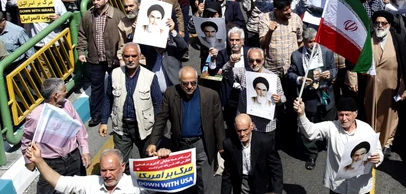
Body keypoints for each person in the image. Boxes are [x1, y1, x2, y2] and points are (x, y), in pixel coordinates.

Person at [146, 66, 225, 194]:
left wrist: (221, 147)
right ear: (179, 82)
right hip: (180, 145)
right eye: (185, 83)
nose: (189, 86)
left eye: (193, 83)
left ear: (197, 80)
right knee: (182, 184)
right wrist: (153, 142)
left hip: (202, 145)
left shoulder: (211, 96)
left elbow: (218, 123)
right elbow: (161, 119)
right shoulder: (170, 93)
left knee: (204, 185)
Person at [348, 10, 406, 154]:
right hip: (371, 87)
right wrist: (353, 80)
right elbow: (354, 63)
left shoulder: (398, 40)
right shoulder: (368, 40)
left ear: (389, 24)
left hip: (392, 86)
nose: (380, 26)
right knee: (371, 113)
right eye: (377, 23)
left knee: (391, 115)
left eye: (383, 23)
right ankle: (373, 140)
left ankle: (388, 142)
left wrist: (404, 87)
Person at [294, 96, 383, 194]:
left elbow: (378, 150)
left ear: (355, 114)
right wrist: (301, 114)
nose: (344, 119)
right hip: (338, 187)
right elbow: (310, 132)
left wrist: (378, 157)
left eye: (347, 115)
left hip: (360, 187)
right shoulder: (331, 127)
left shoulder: (366, 130)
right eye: (341, 115)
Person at [99, 43, 163, 171]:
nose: (130, 59)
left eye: (133, 56)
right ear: (122, 57)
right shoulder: (114, 74)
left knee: (148, 163)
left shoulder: (150, 77)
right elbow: (107, 98)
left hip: (145, 129)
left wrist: (156, 129)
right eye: (127, 56)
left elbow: (158, 104)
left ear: (140, 56)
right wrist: (104, 121)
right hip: (122, 128)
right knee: (121, 164)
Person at [21, 78, 90, 194]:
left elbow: (79, 128)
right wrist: (29, 161)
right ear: (56, 95)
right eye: (64, 90)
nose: (66, 92)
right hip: (51, 165)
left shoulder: (67, 105)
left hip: (73, 158)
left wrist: (85, 150)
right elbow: (26, 140)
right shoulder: (35, 116)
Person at [286, 27, 337, 170]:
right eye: (309, 42)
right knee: (308, 126)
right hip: (309, 97)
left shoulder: (326, 52)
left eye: (314, 41)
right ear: (303, 42)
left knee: (329, 122)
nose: (312, 44)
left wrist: (330, 74)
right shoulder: (296, 56)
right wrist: (299, 79)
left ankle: (330, 146)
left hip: (325, 95)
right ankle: (311, 154)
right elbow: (290, 74)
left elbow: (334, 68)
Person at [77, 0, 127, 127]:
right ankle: (96, 115)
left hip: (114, 59)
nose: (95, 2)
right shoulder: (88, 15)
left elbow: (124, 36)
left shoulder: (117, 15)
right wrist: (81, 52)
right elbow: (82, 35)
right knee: (96, 88)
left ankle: (119, 112)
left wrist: (121, 56)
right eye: (93, 0)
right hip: (95, 58)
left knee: (117, 86)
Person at [25, 146, 139, 194]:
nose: (107, 175)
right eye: (103, 170)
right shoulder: (91, 183)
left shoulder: (136, 184)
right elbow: (60, 181)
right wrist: (39, 161)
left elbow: (157, 182)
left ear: (123, 167)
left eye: (112, 169)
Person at [220, 113, 284, 194]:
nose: (242, 134)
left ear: (252, 126)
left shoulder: (265, 141)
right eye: (239, 131)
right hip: (242, 183)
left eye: (245, 130)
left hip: (261, 183)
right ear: (234, 127)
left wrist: (277, 191)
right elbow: (228, 173)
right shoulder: (229, 144)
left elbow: (276, 168)